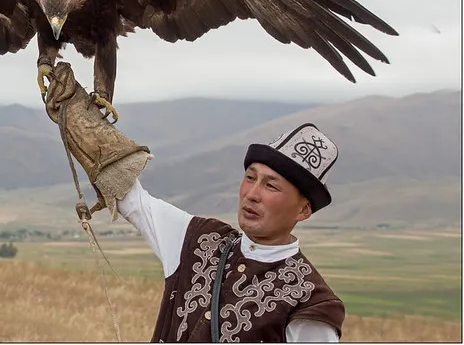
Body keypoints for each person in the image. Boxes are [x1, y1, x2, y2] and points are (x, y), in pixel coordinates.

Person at [43, 62, 345, 343]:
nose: (252, 193)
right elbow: (132, 198)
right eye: (250, 177)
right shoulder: (200, 240)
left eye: (271, 185)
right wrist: (76, 116)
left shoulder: (311, 303)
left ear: (304, 209)